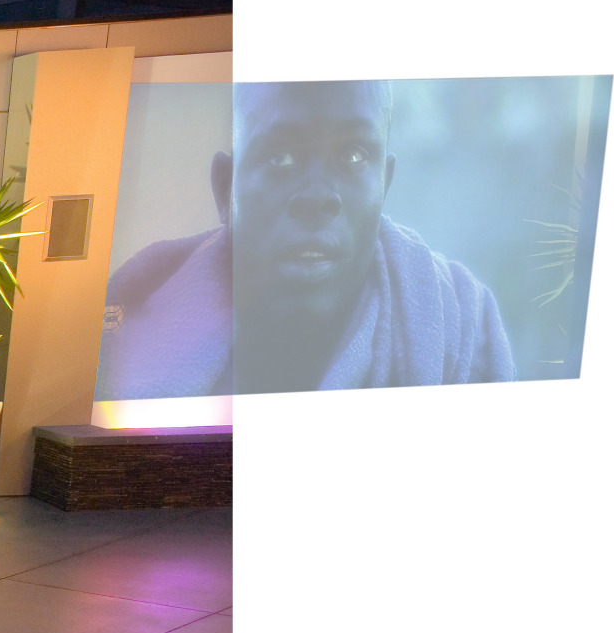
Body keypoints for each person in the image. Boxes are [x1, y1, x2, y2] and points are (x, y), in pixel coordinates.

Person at [99, 80, 513, 396]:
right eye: (280, 156)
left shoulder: (462, 319)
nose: (318, 196)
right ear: (226, 189)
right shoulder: (131, 311)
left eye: (353, 155)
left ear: (384, 185)